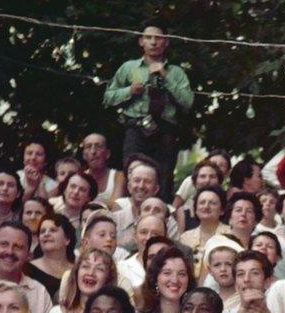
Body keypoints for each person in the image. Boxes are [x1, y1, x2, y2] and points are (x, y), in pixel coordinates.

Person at [103, 22, 194, 200]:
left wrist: (166, 79)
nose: (153, 42)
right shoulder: (130, 68)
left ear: (166, 42)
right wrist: (129, 91)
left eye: (158, 38)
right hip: (136, 127)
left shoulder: (176, 72)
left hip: (165, 130)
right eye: (148, 37)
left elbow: (188, 102)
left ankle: (160, 216)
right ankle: (130, 213)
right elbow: (108, 98)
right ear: (141, 41)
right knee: (133, 172)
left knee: (164, 175)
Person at [179, 185, 231, 276]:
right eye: (202, 203)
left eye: (212, 203)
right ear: (195, 209)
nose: (206, 206)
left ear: (222, 210)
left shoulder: (231, 235)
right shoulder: (185, 238)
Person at [25, 214, 76, 302]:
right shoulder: (27, 269)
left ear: (67, 239)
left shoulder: (77, 271)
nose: (46, 234)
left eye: (53, 230)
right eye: (42, 231)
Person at [116, 212, 167, 290]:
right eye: (143, 232)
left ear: (165, 238)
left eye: (155, 234)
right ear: (135, 236)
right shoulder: (121, 268)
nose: (148, 237)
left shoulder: (175, 267)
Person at [81, 133, 126, 205]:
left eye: (98, 146)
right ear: (84, 155)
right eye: (88, 147)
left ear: (107, 153)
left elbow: (115, 205)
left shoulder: (118, 176)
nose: (93, 151)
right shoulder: (80, 178)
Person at [17, 138, 58, 202]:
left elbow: (44, 209)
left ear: (45, 161)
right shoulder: (14, 177)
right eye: (29, 153)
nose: (33, 158)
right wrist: (32, 187)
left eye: (39, 154)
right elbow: (16, 208)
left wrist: (39, 182)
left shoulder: (53, 186)